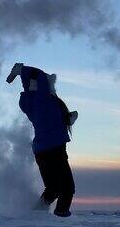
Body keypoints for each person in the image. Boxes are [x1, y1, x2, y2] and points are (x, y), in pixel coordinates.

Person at [7, 63, 78, 217]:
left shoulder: (30, 102)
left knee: (53, 189)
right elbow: (39, 76)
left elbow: (50, 119)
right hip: (54, 149)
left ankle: (35, 215)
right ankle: (61, 216)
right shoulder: (42, 98)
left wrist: (22, 75)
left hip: (42, 151)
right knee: (67, 188)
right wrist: (21, 70)